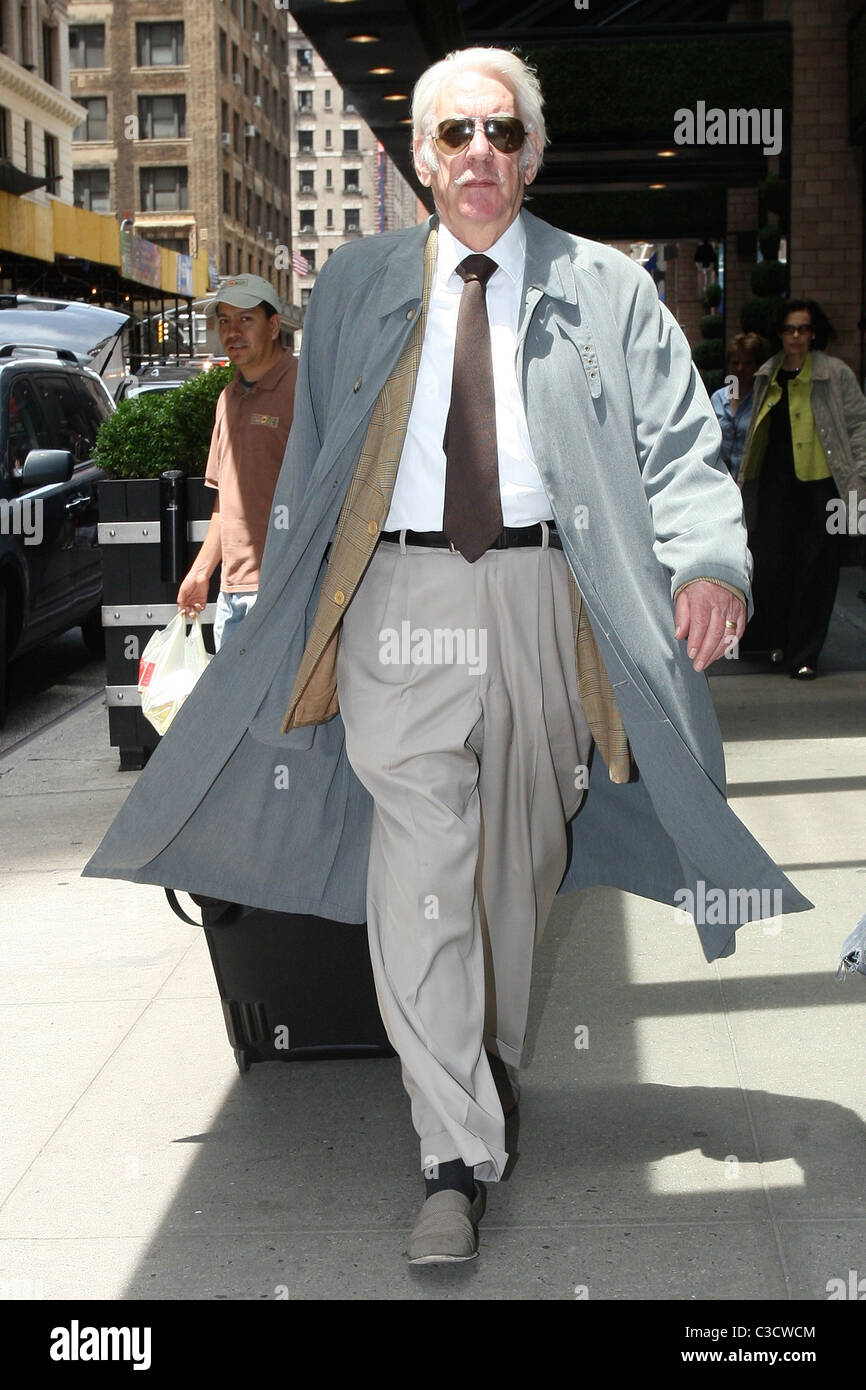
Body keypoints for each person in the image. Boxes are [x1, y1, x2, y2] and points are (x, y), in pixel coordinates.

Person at [85, 47, 810, 1266]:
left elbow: (681, 443)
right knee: (420, 859)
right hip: (398, 598)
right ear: (418, 156)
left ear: (532, 151)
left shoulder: (604, 287)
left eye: (504, 132)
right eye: (455, 133)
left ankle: (486, 1066)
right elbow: (318, 464)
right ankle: (451, 1150)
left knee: (518, 862)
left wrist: (707, 563)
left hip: (545, 594)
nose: (481, 153)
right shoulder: (364, 280)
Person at [739, 299, 866, 678]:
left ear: (814, 333)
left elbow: (859, 425)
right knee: (772, 567)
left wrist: (860, 474)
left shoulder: (834, 373)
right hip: (776, 486)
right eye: (790, 329)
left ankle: (805, 654)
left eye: (804, 329)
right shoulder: (768, 373)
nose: (796, 336)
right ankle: (777, 641)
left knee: (818, 571)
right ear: (780, 333)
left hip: (822, 489)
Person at [176, 274, 298, 650]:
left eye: (246, 319)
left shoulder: (303, 389)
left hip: (287, 590)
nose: (232, 332)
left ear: (274, 325)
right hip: (232, 593)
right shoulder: (227, 398)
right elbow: (224, 503)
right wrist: (201, 572)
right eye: (224, 321)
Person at [710, 332, 763, 480]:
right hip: (720, 479)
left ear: (756, 367)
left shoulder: (760, 401)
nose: (740, 368)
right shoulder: (717, 398)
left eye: (747, 363)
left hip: (750, 481)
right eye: (735, 362)